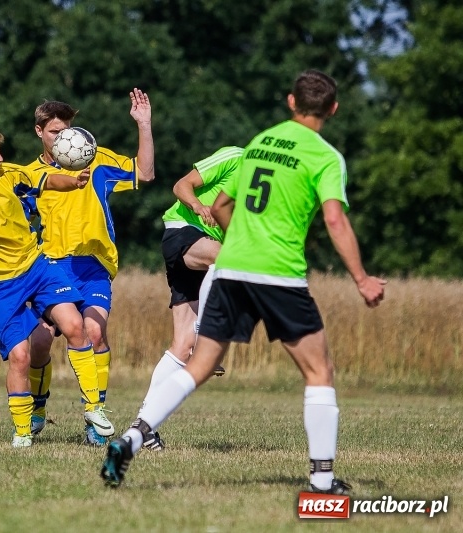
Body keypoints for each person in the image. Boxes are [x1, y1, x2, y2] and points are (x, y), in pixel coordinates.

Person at [101, 69, 386, 493]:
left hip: (232, 266)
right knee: (319, 369)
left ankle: (132, 438)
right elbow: (334, 218)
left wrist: (242, 239)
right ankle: (323, 482)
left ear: (291, 102)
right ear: (333, 109)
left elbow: (220, 205)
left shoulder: (258, 144)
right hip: (277, 272)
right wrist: (361, 278)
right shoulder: (325, 156)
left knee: (198, 364)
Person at [0, 105, 114, 447]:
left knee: (76, 326)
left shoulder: (11, 175)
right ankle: (22, 433)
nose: (1, 158)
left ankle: (94, 408)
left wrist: (74, 180)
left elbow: (47, 181)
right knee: (20, 355)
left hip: (36, 266)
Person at [23, 88, 155, 446]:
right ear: (39, 132)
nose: (64, 138)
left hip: (93, 265)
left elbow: (145, 172)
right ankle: (36, 406)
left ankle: (95, 419)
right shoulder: (29, 176)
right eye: (54, 132)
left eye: (67, 131)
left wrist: (143, 125)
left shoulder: (96, 160)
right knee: (38, 342)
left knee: (94, 332)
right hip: (49, 266)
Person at [139, 145, 244, 451]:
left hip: (206, 256)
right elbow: (180, 185)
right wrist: (199, 206)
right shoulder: (235, 157)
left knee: (182, 347)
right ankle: (207, 333)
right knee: (225, 259)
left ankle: (144, 425)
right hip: (184, 231)